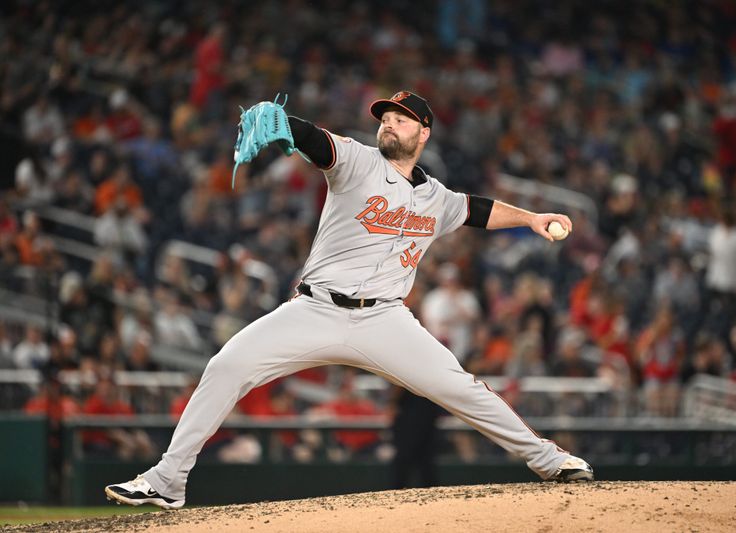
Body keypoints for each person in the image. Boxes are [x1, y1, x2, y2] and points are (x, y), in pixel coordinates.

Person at [105, 90, 593, 509]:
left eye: (401, 119)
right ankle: (168, 480)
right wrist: (285, 126)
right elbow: (319, 143)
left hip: (385, 321)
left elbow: (478, 210)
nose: (389, 124)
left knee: (462, 389)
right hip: (315, 310)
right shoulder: (359, 161)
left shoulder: (436, 197)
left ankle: (550, 461)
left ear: (423, 133)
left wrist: (530, 218)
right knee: (226, 365)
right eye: (384, 118)